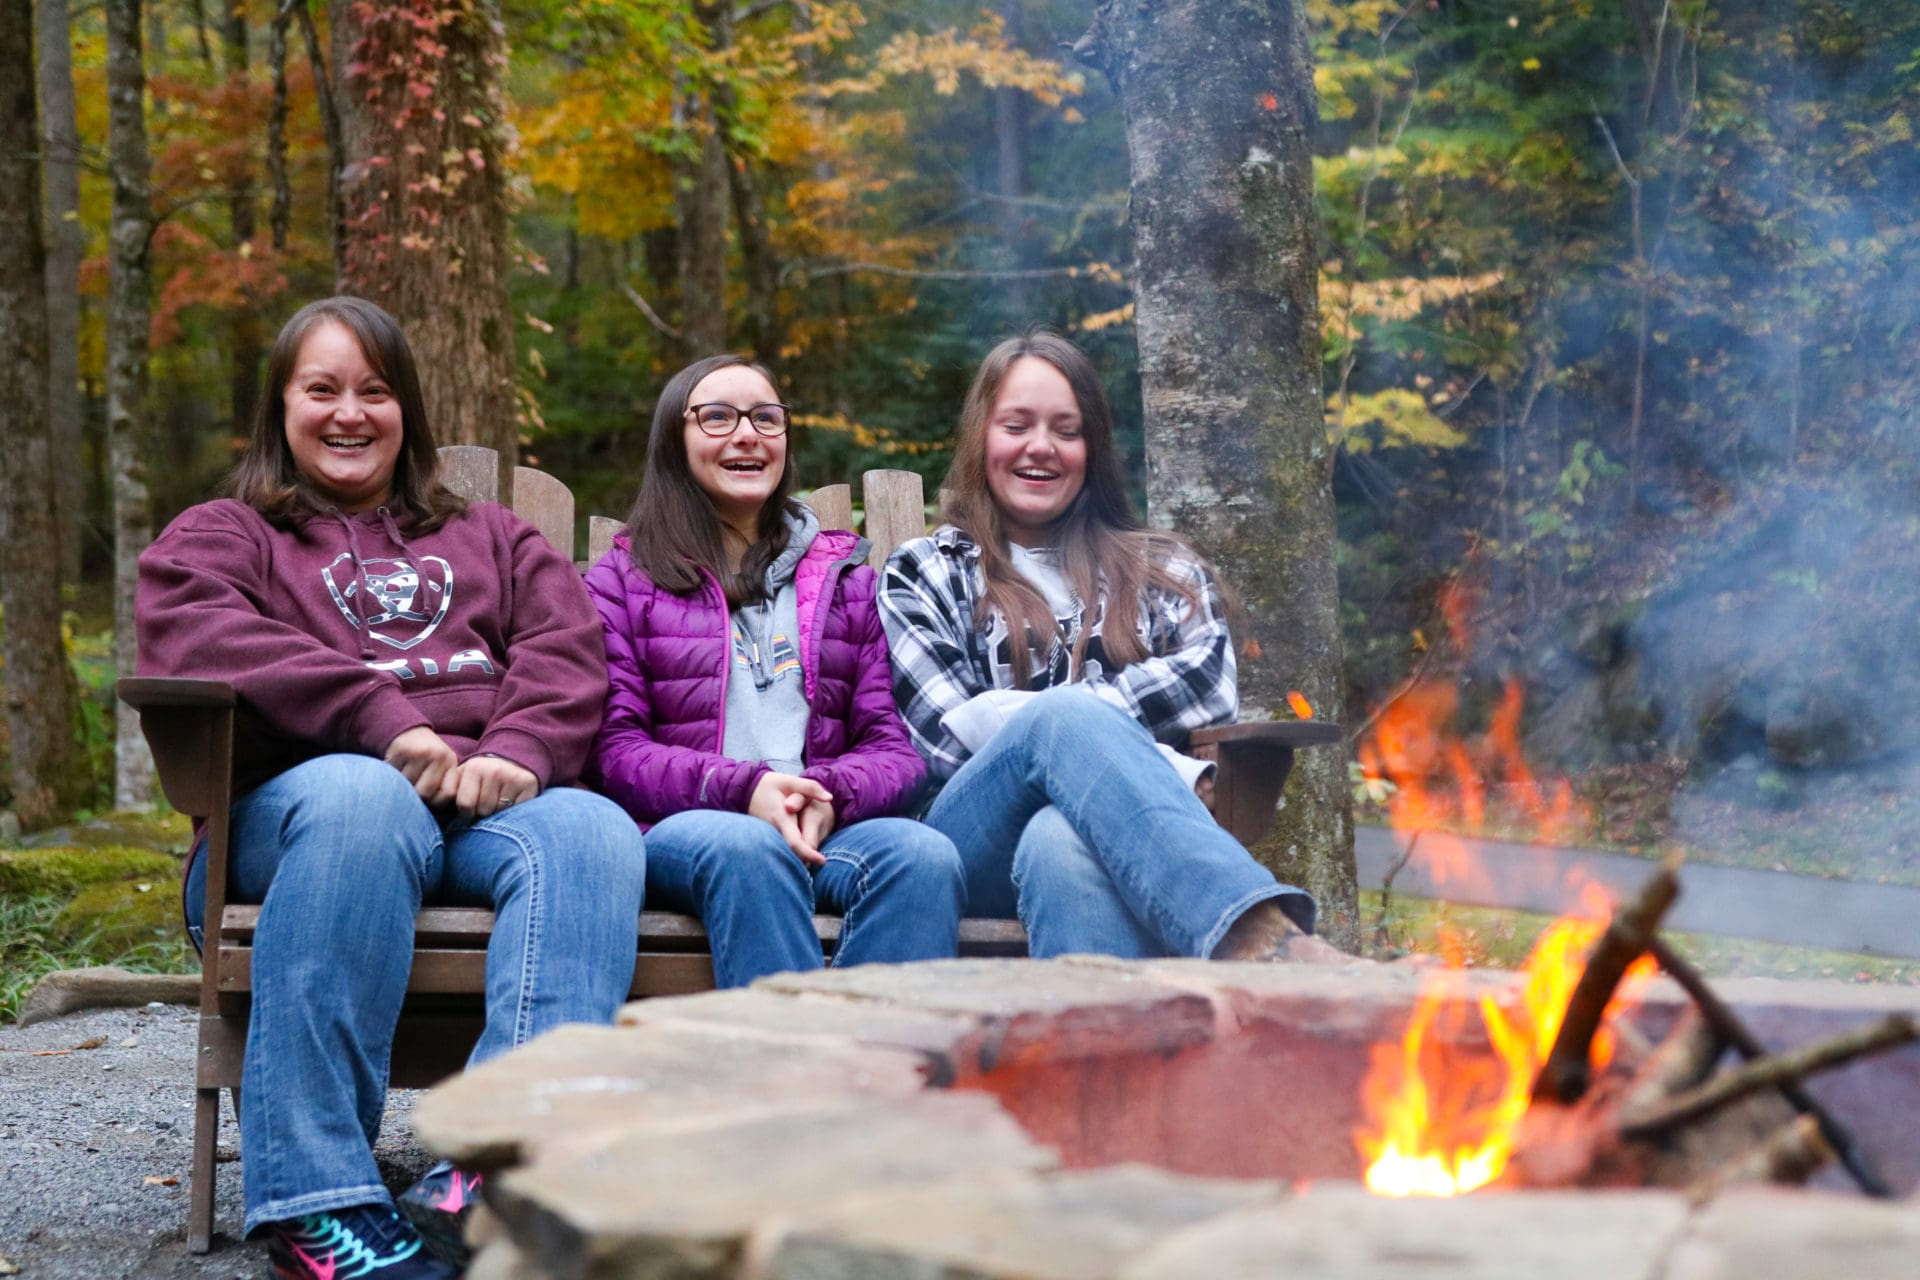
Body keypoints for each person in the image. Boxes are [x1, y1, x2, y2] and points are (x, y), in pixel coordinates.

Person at [137, 297, 646, 1280]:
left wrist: (521, 747)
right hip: (292, 832)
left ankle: (496, 1170)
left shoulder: (492, 535)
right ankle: (319, 1202)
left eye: (374, 390)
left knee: (589, 825)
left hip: (478, 815)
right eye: (321, 388)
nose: (349, 412)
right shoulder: (227, 533)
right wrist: (381, 718)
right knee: (360, 796)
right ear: (279, 408)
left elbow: (566, 648)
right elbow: (195, 632)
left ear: (406, 408)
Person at [879, 331, 1344, 963]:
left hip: (1116, 844)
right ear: (981, 438)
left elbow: (1208, 684)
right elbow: (943, 741)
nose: (1041, 447)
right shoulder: (924, 572)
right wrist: (1136, 753)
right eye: (1016, 425)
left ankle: (1101, 1060)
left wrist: (1062, 740)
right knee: (1062, 721)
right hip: (968, 844)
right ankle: (1259, 935)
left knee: (1059, 832)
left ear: (1091, 447)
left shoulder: (1159, 567)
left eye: (1065, 430)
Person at [585, 355, 964, 988]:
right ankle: (788, 1076)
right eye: (716, 417)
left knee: (922, 856)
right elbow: (613, 752)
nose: (746, 434)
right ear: (673, 445)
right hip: (690, 826)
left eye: (766, 418)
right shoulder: (622, 583)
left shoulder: (846, 583)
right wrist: (744, 790)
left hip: (824, 823)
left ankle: (880, 1077)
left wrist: (827, 795)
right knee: (750, 849)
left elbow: (892, 751)